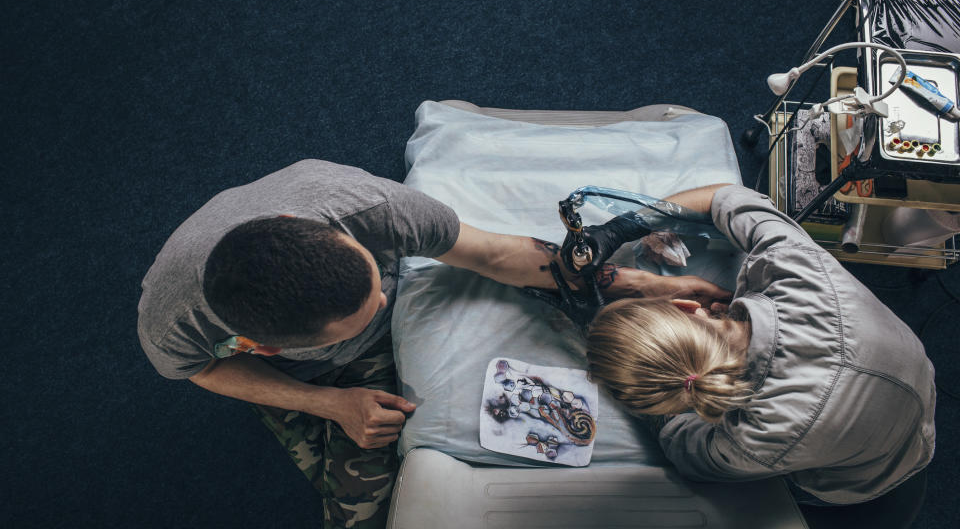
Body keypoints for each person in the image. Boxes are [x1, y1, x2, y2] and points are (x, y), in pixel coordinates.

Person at [138, 159, 731, 529]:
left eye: (375, 280)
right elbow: (201, 371)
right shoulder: (172, 326)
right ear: (258, 346)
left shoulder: (365, 205)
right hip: (313, 378)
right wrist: (331, 404)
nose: (387, 300)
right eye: (370, 309)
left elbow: (497, 255)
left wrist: (645, 289)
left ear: (308, 224)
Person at [566, 183, 935, 517]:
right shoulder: (796, 268)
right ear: (686, 306)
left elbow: (683, 448)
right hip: (918, 383)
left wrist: (590, 322)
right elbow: (724, 197)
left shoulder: (756, 439)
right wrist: (624, 226)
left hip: (871, 478)